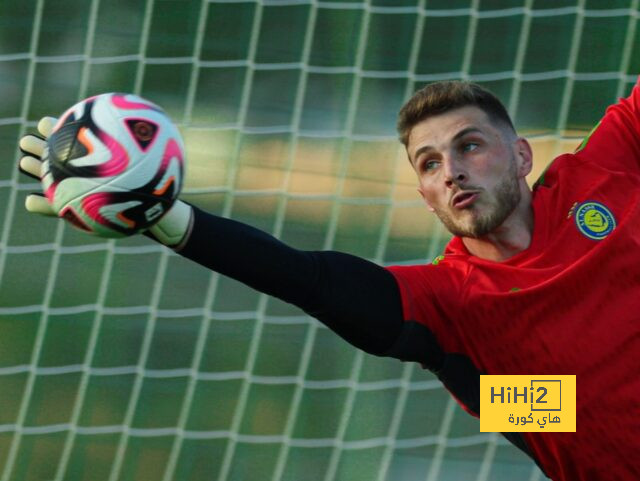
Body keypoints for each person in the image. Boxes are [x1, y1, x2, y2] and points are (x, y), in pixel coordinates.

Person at [18, 79, 640, 481]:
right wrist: (168, 217)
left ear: (523, 155)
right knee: (533, 401)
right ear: (425, 196)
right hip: (567, 417)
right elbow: (307, 278)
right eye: (429, 163)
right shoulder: (447, 296)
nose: (451, 170)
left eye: (470, 145)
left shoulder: (602, 169)